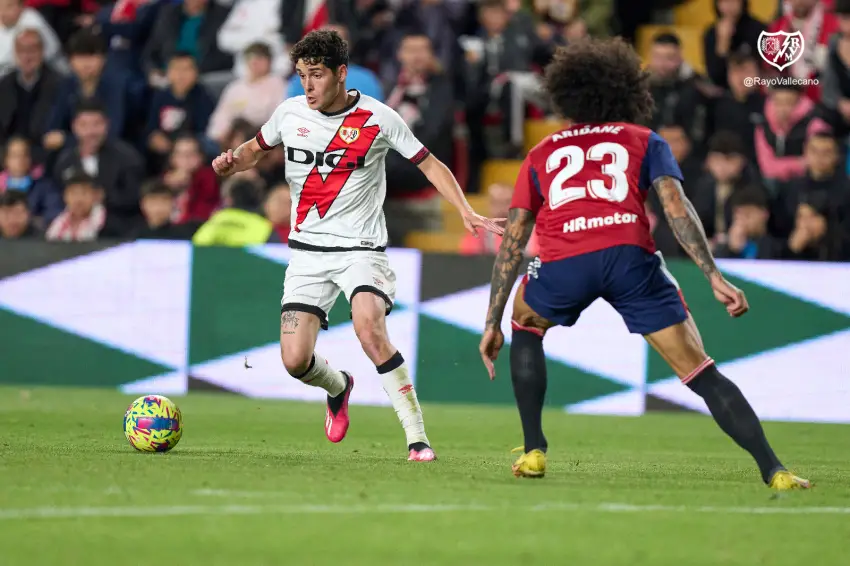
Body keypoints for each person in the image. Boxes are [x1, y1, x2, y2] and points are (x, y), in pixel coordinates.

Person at [478, 38, 810, 491]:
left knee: (526, 324)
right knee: (701, 371)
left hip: (565, 260)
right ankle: (775, 470)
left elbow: (513, 242)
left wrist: (492, 321)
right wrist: (713, 275)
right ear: (626, 92)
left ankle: (534, 448)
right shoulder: (644, 140)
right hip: (630, 258)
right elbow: (676, 209)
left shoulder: (541, 154)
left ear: (564, 94)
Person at [211, 29, 503, 462]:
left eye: (316, 75)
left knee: (369, 327)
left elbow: (430, 163)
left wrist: (464, 209)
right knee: (294, 361)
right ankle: (339, 386)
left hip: (360, 250)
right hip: (307, 253)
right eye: (302, 75)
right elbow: (256, 149)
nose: (307, 86)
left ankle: (417, 438)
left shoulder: (379, 118)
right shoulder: (290, 113)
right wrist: (232, 160)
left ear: (341, 74)